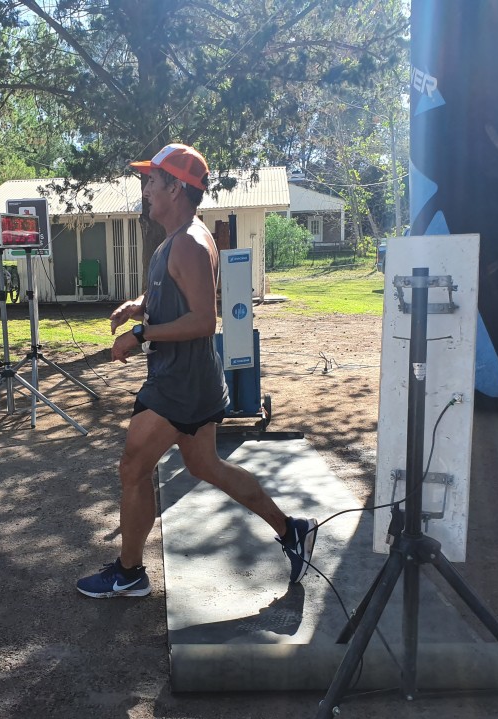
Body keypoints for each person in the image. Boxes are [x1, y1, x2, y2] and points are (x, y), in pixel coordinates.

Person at [75, 143, 317, 599]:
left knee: (132, 468)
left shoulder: (188, 241)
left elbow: (205, 320)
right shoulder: (175, 239)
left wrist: (141, 335)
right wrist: (139, 305)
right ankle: (292, 529)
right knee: (205, 465)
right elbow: (174, 293)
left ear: (176, 187)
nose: (145, 189)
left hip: (179, 385)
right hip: (190, 379)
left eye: (152, 180)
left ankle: (129, 572)